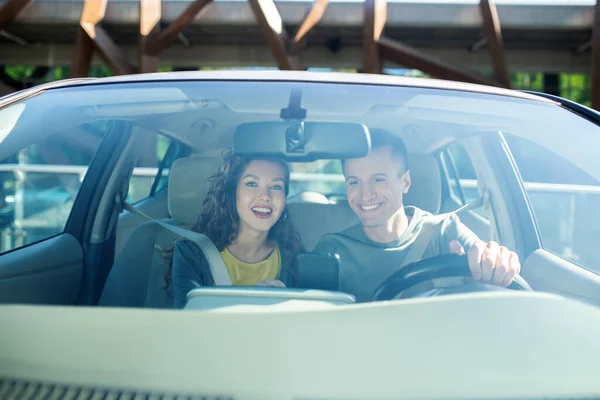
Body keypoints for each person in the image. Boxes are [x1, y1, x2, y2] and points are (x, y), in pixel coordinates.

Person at [314, 129, 521, 302]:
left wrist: (495, 263)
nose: (365, 195)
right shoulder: (332, 249)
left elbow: (488, 260)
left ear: (405, 182)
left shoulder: (445, 231)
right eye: (354, 182)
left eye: (378, 179)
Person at [164, 149, 302, 308]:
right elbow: (187, 323)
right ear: (231, 192)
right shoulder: (192, 253)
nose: (265, 196)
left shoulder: (293, 257)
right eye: (252, 183)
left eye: (276, 187)